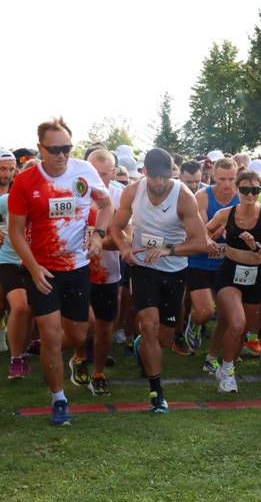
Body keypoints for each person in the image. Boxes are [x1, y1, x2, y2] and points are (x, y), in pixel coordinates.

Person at [8, 118, 113, 426]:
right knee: (52, 337)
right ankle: (59, 399)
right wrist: (33, 267)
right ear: (41, 148)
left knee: (79, 333)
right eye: (54, 149)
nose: (61, 155)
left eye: (66, 148)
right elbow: (15, 231)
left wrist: (98, 234)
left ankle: (48, 358)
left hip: (78, 268)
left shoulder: (84, 171)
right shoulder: (26, 182)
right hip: (42, 270)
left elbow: (106, 206)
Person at [112, 148, 207, 413]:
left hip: (174, 269)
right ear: (144, 173)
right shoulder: (132, 192)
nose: (160, 183)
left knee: (163, 337)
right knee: (150, 325)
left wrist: (169, 249)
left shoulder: (183, 196)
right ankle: (157, 393)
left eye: (165, 177)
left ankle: (146, 345)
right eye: (154, 178)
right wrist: (124, 249)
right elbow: (115, 228)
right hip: (143, 267)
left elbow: (201, 242)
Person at [206, 171, 261, 393]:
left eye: (255, 190)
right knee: (236, 322)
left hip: (255, 274)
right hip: (229, 273)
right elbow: (202, 233)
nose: (250, 194)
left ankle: (223, 363)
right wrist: (209, 240)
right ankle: (228, 371)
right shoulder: (226, 214)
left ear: (260, 191)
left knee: (244, 329)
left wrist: (258, 248)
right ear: (237, 189)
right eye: (245, 190)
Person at [68, 149, 125, 396]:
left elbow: (126, 236)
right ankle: (79, 356)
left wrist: (100, 241)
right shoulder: (73, 190)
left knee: (104, 326)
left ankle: (99, 373)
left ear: (113, 173)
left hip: (108, 271)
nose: (97, 178)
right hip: (76, 269)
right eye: (93, 172)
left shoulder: (120, 195)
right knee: (84, 323)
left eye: (103, 174)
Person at [186, 158, 239, 371]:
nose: (227, 184)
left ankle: (212, 356)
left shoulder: (240, 198)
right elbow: (199, 229)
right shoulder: (202, 196)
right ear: (212, 178)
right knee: (206, 312)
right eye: (222, 179)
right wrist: (210, 237)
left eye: (231, 179)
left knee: (227, 316)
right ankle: (194, 322)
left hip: (226, 263)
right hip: (199, 261)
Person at [0, 150, 32, 381]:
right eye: (4, 169)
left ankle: (21, 350)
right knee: (19, 307)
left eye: (11, 169)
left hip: (36, 262)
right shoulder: (6, 200)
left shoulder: (49, 198)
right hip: (9, 260)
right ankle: (16, 359)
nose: (8, 174)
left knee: (29, 310)